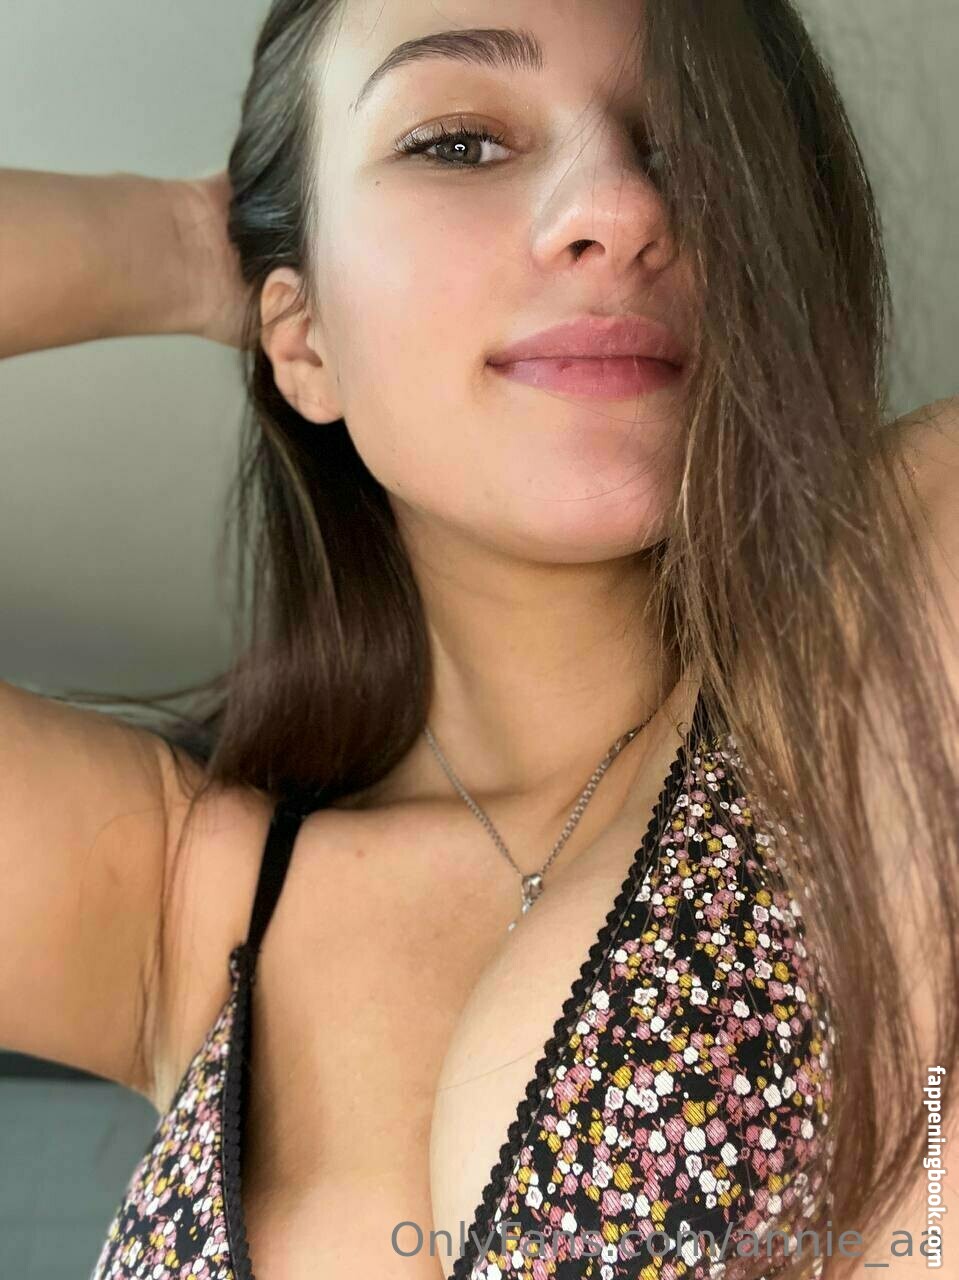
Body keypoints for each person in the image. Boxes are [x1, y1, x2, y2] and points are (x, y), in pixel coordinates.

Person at [1, 1, 957, 1277]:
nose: (619, 206)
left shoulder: (917, 622)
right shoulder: (188, 901)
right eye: (456, 142)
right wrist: (181, 244)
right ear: (299, 341)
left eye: (692, 145)